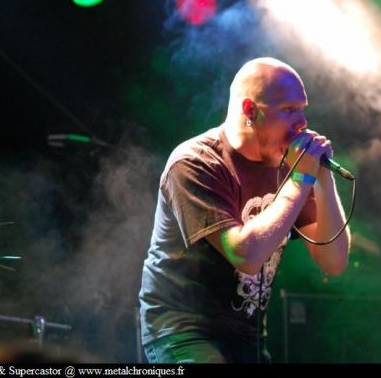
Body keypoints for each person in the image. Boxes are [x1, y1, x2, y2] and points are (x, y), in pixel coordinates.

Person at [138, 57, 351, 363]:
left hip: (248, 338)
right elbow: (245, 255)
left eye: (303, 109)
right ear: (250, 110)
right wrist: (301, 179)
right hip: (185, 332)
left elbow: (334, 261)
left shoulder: (289, 167)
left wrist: (322, 178)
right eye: (289, 110)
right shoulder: (196, 162)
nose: (302, 122)